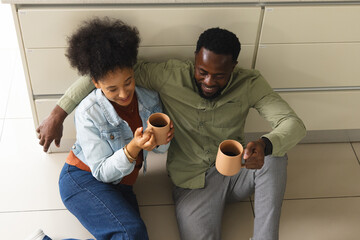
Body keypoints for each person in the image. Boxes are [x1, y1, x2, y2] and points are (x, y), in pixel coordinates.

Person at [37, 27, 306, 240]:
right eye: (202, 72)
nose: (209, 81)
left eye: (220, 75)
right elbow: (107, 71)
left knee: (275, 156)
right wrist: (58, 114)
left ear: (234, 67)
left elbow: (293, 124)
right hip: (191, 184)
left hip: (235, 171)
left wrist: (265, 144)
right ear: (194, 59)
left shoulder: (251, 82)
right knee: (131, 234)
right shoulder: (168, 76)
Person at [34, 18, 174, 240]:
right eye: (112, 89)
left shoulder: (149, 99)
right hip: (83, 178)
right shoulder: (88, 112)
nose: (123, 94)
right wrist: (132, 148)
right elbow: (101, 171)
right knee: (132, 234)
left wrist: (162, 140)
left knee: (132, 237)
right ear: (96, 84)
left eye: (128, 82)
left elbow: (157, 151)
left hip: (122, 184)